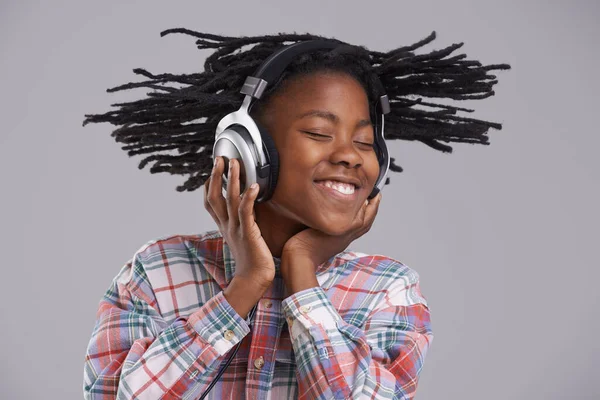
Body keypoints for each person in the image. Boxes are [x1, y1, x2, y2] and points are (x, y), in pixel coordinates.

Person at [82, 28, 510, 399]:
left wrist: (301, 270)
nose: (349, 156)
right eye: (319, 133)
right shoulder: (156, 272)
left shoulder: (389, 290)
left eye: (364, 142)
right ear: (247, 151)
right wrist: (246, 285)